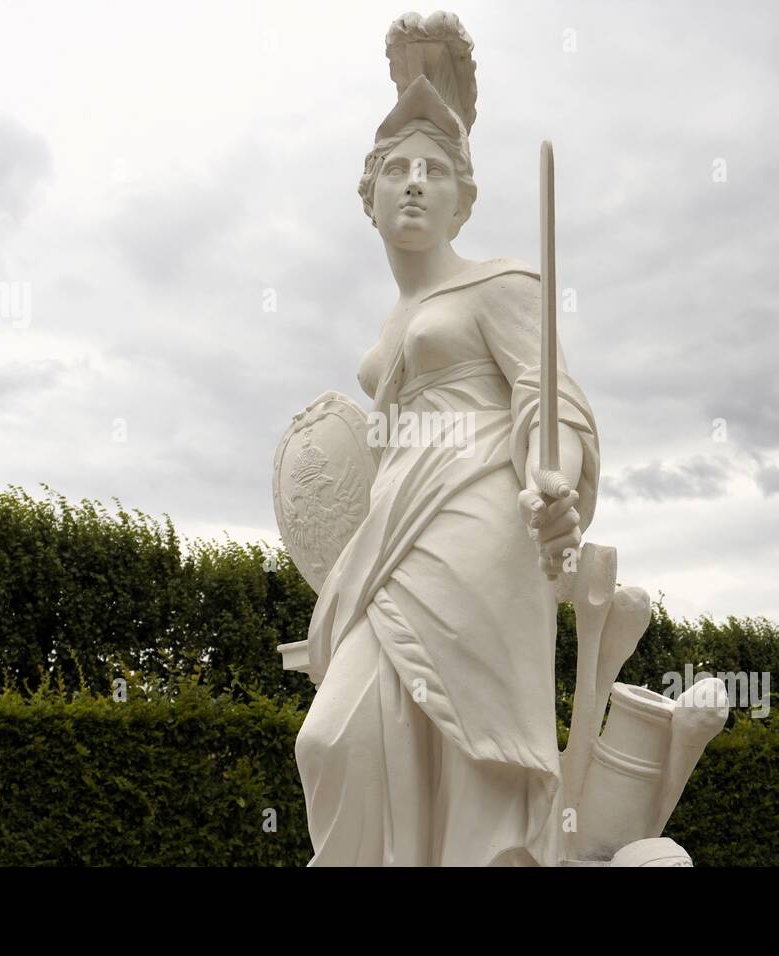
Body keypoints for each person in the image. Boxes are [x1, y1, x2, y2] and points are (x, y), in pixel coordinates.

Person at [293, 65, 601, 866]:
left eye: (434, 171)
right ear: (371, 197)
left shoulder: (500, 285)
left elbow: (550, 398)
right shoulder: (390, 327)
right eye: (397, 169)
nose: (415, 184)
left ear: (463, 199)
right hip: (393, 529)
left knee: (473, 754)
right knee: (334, 739)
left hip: (478, 519)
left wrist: (553, 477)